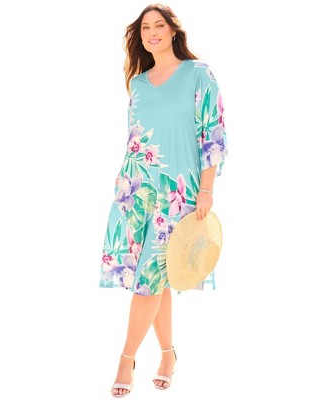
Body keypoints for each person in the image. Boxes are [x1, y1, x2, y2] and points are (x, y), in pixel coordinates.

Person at [99, 3, 228, 397]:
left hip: (178, 192)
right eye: (145, 28)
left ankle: (126, 360)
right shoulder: (138, 83)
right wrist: (122, 182)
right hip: (137, 189)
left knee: (148, 280)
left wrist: (206, 189)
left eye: (159, 25)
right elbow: (135, 140)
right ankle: (169, 355)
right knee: (157, 278)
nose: (152, 33)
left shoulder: (198, 74)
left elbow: (212, 134)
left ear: (173, 31)